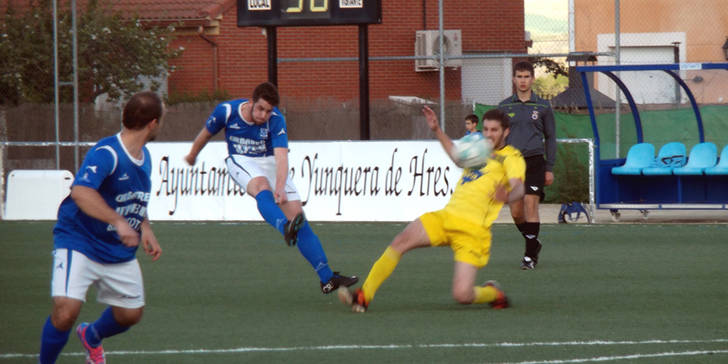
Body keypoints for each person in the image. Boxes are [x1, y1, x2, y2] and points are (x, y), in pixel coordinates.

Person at [338, 107, 525, 313]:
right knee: (401, 241)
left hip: (473, 232)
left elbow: (519, 187)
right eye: (486, 129)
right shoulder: (478, 149)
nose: (489, 135)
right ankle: (364, 295)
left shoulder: (511, 157)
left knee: (462, 295)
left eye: (494, 130)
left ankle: (493, 294)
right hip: (446, 217)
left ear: (505, 132)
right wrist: (436, 129)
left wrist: (507, 196)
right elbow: (456, 157)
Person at [184, 81, 357, 294]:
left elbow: (281, 157)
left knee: (299, 219)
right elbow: (206, 134)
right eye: (260, 109)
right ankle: (283, 226)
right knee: (261, 186)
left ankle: (327, 278)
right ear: (250, 102)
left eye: (268, 111)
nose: (264, 115)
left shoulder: (276, 121)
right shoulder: (227, 112)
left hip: (269, 162)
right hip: (241, 159)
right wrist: (192, 155)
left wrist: (282, 187)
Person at [39, 92, 165, 364]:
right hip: (79, 240)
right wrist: (118, 222)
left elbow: (132, 197)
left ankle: (91, 335)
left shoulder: (145, 158)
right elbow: (81, 191)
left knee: (130, 314)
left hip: (116, 248)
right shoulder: (107, 153)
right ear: (153, 124)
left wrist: (146, 227)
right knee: (65, 312)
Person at [498, 61, 556, 270]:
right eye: (519, 77)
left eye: (526, 77)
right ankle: (534, 242)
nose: (523, 81)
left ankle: (529, 256)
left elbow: (550, 137)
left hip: (534, 162)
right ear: (514, 80)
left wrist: (549, 167)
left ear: (532, 79)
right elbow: (498, 138)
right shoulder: (504, 106)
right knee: (516, 212)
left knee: (531, 204)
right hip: (512, 165)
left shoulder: (542, 106)